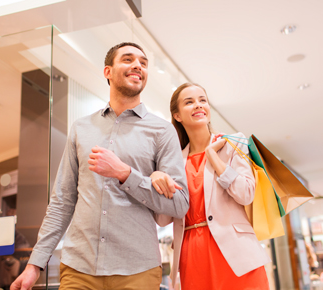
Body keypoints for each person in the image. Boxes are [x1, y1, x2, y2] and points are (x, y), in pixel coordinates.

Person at [10, 42, 189, 290]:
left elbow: (179, 204)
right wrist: (34, 265)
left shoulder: (162, 131)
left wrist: (126, 174)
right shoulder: (81, 128)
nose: (138, 65)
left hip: (137, 270)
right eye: (128, 59)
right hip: (78, 269)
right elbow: (62, 201)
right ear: (108, 71)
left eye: (143, 63)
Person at [153, 83, 271, 290]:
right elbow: (163, 219)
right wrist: (157, 181)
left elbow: (246, 194)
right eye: (189, 102)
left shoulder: (234, 143)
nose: (198, 105)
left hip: (236, 251)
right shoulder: (173, 161)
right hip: (192, 253)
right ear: (177, 115)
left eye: (202, 100)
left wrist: (213, 158)